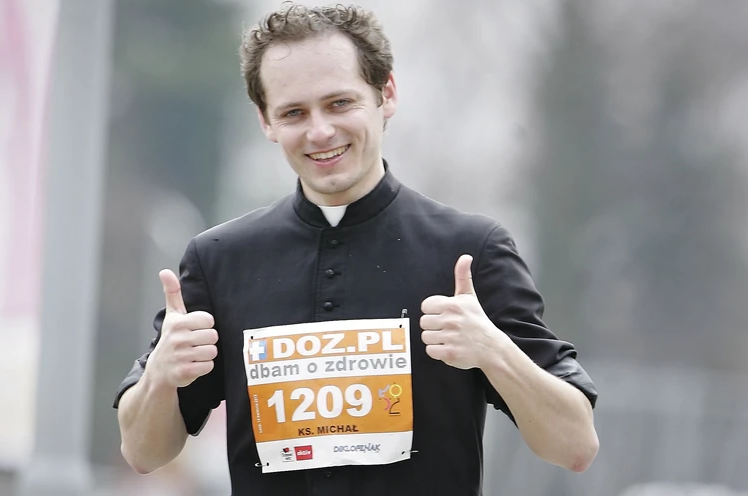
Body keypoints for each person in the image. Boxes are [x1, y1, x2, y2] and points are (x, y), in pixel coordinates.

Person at [113, 3, 599, 495]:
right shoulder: (219, 260)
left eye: (340, 103)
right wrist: (160, 377)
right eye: (294, 112)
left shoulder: (470, 253)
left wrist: (495, 351)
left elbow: (575, 445)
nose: (320, 131)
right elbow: (143, 453)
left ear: (386, 94)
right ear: (266, 121)